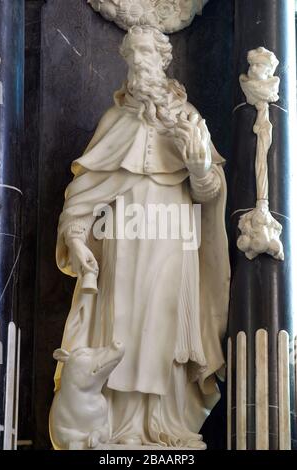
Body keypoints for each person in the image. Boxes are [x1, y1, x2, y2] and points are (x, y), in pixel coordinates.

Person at [51, 25, 230, 448]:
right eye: (131, 55)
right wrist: (77, 240)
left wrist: (201, 166)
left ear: (163, 58)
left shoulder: (190, 121)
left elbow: (210, 192)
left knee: (164, 324)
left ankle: (164, 422)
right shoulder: (115, 121)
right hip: (122, 243)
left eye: (146, 53)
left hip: (174, 237)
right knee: (122, 325)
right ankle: (114, 424)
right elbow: (82, 196)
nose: (138, 62)